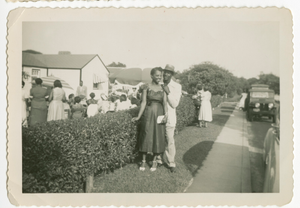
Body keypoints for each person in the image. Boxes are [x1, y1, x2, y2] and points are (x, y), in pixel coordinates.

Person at [132, 67, 168, 172]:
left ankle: (154, 160)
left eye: (160, 75)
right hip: (148, 113)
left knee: (158, 136)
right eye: (157, 75)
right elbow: (143, 102)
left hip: (159, 114)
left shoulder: (164, 88)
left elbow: (165, 103)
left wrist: (166, 115)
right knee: (146, 134)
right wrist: (139, 116)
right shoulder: (146, 87)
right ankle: (143, 160)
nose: (159, 77)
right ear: (151, 76)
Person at [157, 64, 182, 173]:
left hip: (170, 118)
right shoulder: (158, 84)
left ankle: (171, 162)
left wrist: (168, 91)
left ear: (172, 74)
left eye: (169, 72)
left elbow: (175, 104)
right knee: (158, 139)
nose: (166, 74)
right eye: (165, 72)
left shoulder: (176, 86)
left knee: (170, 140)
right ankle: (158, 160)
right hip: (158, 116)